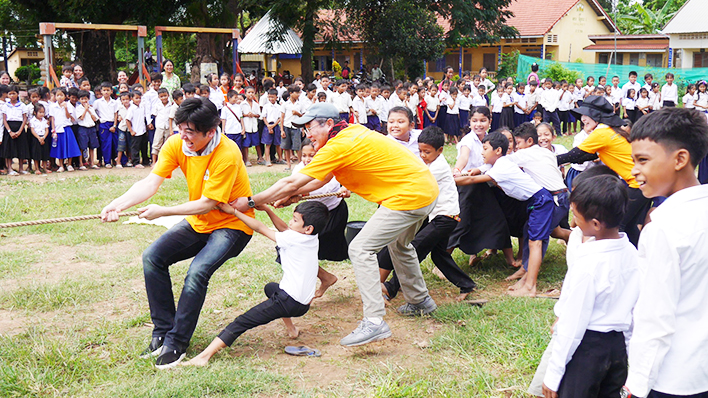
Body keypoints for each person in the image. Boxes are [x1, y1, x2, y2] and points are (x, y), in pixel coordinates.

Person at [229, 102, 439, 347]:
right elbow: (322, 179)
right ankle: (420, 301)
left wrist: (252, 201)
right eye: (304, 129)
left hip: (409, 198)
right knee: (400, 246)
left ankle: (374, 321)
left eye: (310, 127)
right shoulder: (349, 135)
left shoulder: (339, 144)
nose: (307, 134)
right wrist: (295, 196)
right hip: (425, 191)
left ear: (329, 124)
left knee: (360, 248)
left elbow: (291, 182)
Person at [100, 97, 255, 369]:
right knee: (152, 257)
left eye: (190, 131)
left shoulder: (227, 153)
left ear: (211, 131)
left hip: (233, 226)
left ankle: (177, 343)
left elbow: (208, 202)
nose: (183, 135)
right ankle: (162, 332)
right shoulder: (176, 144)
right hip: (199, 222)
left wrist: (163, 211)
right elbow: (151, 182)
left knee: (197, 272)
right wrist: (116, 204)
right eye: (180, 127)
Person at [180, 200, 329, 367]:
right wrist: (266, 209)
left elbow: (260, 228)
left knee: (241, 322)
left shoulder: (292, 239)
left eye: (295, 220)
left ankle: (203, 357)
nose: (290, 222)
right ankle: (292, 330)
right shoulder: (311, 237)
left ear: (308, 229)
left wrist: (234, 212)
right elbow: (285, 230)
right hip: (303, 304)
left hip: (288, 301)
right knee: (270, 288)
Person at [624, 108, 708, 398]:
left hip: (671, 377)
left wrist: (635, 385)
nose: (634, 170)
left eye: (643, 160)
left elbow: (654, 317)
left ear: (680, 159)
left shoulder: (663, 228)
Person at [541, 174, 639, 398]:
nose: (573, 220)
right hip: (618, 348)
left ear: (595, 224)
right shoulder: (632, 253)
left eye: (576, 215)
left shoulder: (587, 263)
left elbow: (573, 322)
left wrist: (553, 374)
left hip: (587, 349)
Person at [379, 126, 476, 301]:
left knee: (413, 250)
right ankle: (467, 285)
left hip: (444, 218)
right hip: (440, 216)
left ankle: (391, 288)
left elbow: (414, 183)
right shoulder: (429, 163)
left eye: (427, 152)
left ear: (440, 150)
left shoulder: (437, 167)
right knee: (439, 256)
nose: (422, 155)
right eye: (420, 151)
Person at [455, 132, 555, 297]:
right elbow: (476, 172)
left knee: (535, 243)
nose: (481, 153)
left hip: (541, 201)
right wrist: (466, 172)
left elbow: (473, 180)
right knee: (531, 240)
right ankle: (525, 280)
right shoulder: (498, 162)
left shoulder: (502, 166)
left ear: (498, 150)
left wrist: (447, 179)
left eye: (485, 149)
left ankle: (530, 286)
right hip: (534, 202)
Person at [558, 96, 651, 248]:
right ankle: (641, 257)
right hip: (643, 182)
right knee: (629, 225)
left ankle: (620, 260)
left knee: (616, 226)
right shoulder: (608, 131)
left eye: (586, 116)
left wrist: (548, 159)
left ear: (596, 117)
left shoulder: (601, 133)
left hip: (637, 183)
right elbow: (588, 155)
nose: (583, 119)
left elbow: (574, 155)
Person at [49, 87, 81, 172]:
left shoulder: (68, 105)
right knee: (60, 148)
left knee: (69, 146)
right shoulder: (53, 106)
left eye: (61, 95)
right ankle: (61, 165)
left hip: (67, 128)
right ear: (55, 96)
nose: (59, 97)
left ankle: (69, 164)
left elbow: (68, 116)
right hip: (58, 129)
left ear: (65, 96)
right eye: (57, 95)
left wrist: (65, 108)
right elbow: (52, 119)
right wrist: (53, 130)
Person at [2, 85, 29, 175]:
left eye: (14, 93)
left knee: (21, 148)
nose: (12, 96)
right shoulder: (5, 106)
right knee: (9, 149)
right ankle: (10, 169)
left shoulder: (22, 105)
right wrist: (10, 131)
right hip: (9, 127)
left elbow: (24, 118)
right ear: (7, 95)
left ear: (17, 94)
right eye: (10, 94)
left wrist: (20, 131)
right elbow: (4, 119)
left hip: (19, 126)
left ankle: (21, 168)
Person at [75, 90, 100, 169]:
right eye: (82, 99)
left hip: (91, 128)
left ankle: (92, 162)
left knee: (92, 146)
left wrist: (89, 110)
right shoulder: (78, 108)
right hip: (83, 128)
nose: (84, 101)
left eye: (85, 99)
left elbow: (95, 119)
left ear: (88, 99)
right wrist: (85, 109)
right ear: (79, 100)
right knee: (82, 146)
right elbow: (81, 118)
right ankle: (81, 163)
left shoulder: (91, 108)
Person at [282, 85, 304, 171]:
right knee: (286, 147)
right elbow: (282, 117)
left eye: (299, 93)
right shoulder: (285, 104)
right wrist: (282, 130)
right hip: (287, 126)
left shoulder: (300, 104)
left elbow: (303, 116)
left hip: (296, 127)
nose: (298, 95)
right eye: (296, 93)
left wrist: (297, 114)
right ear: (291, 93)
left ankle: (300, 164)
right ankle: (288, 165)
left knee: (297, 146)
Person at [126, 91, 149, 168]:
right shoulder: (131, 109)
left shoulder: (142, 107)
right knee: (135, 147)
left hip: (142, 130)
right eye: (136, 98)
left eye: (139, 98)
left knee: (144, 146)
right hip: (135, 131)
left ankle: (145, 160)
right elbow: (127, 120)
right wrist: (131, 130)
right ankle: (135, 162)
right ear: (132, 98)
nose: (138, 100)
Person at [260, 88, 283, 166]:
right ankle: (267, 160)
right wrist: (268, 126)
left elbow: (280, 118)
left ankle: (280, 158)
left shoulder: (279, 106)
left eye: (273, 97)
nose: (271, 99)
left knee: (278, 143)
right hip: (268, 126)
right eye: (269, 97)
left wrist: (274, 125)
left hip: (276, 126)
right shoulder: (266, 106)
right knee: (268, 144)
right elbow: (263, 117)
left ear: (277, 97)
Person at [151, 88, 172, 164]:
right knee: (156, 143)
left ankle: (165, 161)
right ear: (159, 97)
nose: (163, 98)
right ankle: (154, 161)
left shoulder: (171, 105)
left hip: (168, 127)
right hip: (159, 127)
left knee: (167, 144)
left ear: (168, 95)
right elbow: (154, 115)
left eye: (165, 96)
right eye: (161, 96)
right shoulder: (157, 105)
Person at [241, 86, 261, 166]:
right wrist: (246, 115)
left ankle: (260, 157)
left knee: (257, 143)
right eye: (249, 92)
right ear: (245, 94)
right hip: (246, 126)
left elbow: (259, 115)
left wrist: (254, 115)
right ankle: (246, 159)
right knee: (246, 144)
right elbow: (240, 115)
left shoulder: (256, 104)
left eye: (252, 92)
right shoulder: (242, 104)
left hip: (254, 126)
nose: (251, 94)